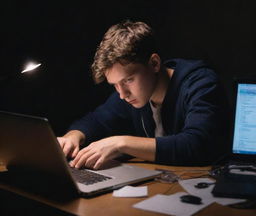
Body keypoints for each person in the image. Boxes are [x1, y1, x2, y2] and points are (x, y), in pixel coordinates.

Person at [57, 20, 230, 170]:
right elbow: (96, 120)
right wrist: (73, 137)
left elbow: (196, 145)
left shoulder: (201, 83)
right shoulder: (133, 95)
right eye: (115, 85)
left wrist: (120, 144)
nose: (122, 94)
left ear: (154, 63)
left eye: (128, 80)